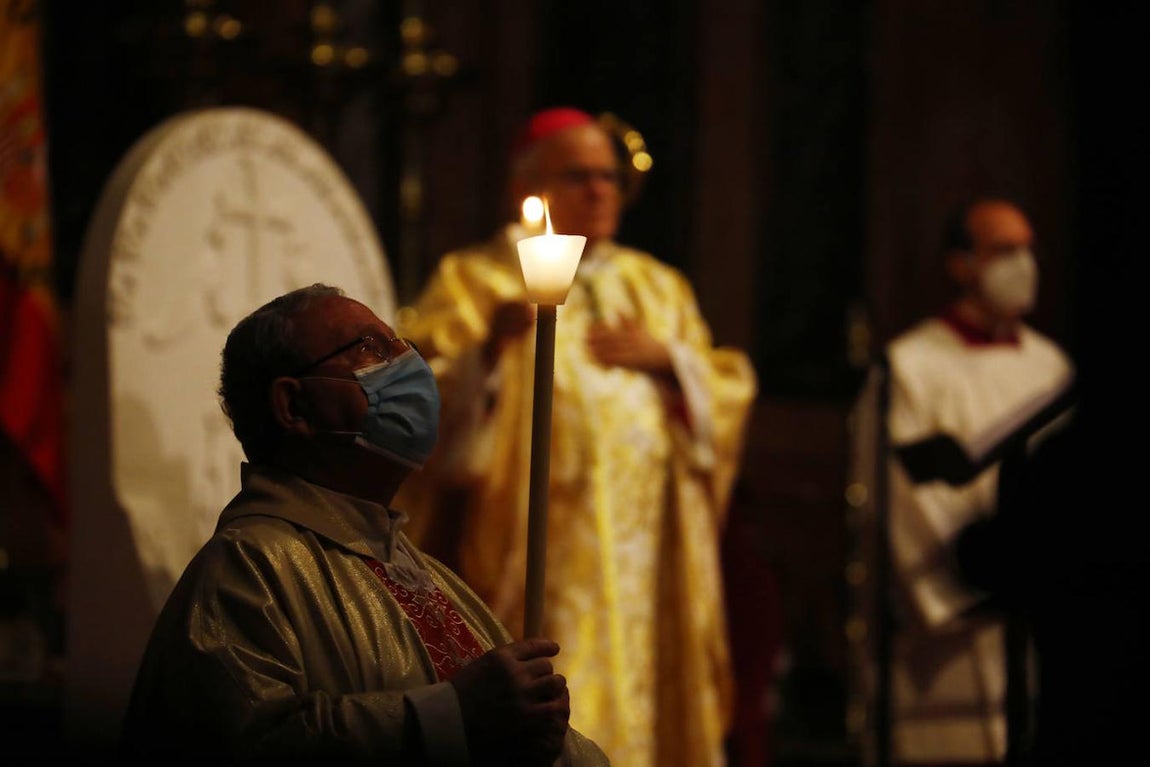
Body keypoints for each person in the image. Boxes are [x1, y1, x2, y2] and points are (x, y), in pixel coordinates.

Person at [395, 107, 758, 767]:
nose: (601, 191)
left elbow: (726, 391)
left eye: (610, 177)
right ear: (525, 189)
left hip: (649, 556)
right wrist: (490, 347)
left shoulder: (657, 285)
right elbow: (421, 399)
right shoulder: (475, 279)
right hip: (537, 546)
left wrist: (670, 362)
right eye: (580, 175)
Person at [118, 283, 610, 766]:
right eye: (373, 349)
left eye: (402, 346)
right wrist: (450, 714)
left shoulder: (429, 576)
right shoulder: (247, 569)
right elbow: (243, 743)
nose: (407, 366)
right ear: (293, 406)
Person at [847, 197, 1075, 765]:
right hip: (947, 642)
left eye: (1028, 249)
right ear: (960, 264)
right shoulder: (908, 366)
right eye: (1003, 250)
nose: (1023, 264)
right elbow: (901, 496)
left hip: (1039, 625)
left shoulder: (1053, 367)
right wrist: (975, 581)